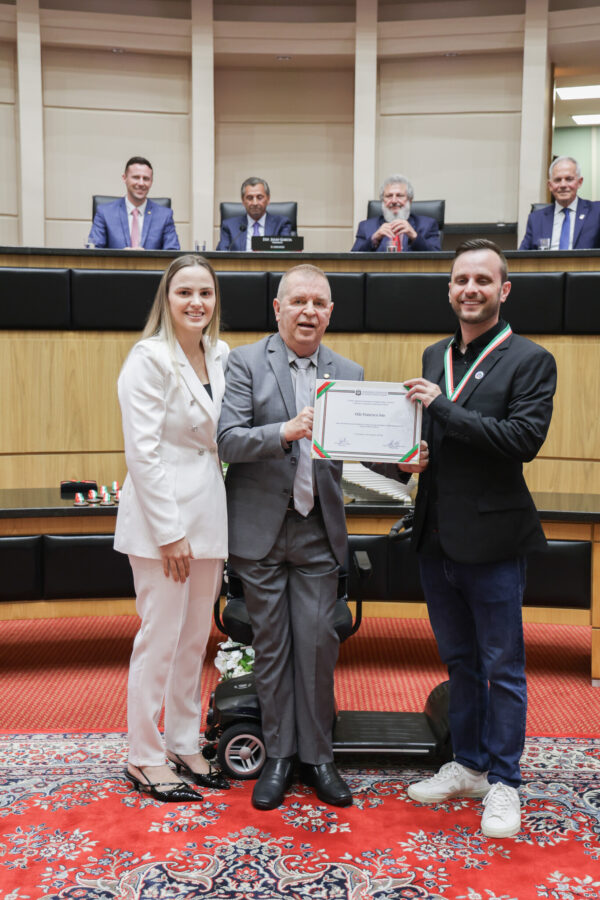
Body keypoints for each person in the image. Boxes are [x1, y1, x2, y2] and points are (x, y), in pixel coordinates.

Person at [402, 239, 556, 838]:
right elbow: (430, 438)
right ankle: (468, 765)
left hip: (493, 542)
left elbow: (521, 440)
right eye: (461, 279)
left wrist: (442, 409)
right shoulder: (434, 354)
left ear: (503, 290)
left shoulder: (531, 360)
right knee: (460, 662)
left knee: (503, 667)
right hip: (436, 539)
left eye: (483, 281)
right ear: (449, 289)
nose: (471, 289)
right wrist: (406, 456)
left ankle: (505, 781)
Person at [216, 263, 359, 810]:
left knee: (319, 647)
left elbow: (362, 446)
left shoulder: (348, 371)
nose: (308, 311)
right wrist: (285, 431)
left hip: (317, 532)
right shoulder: (246, 362)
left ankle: (319, 758)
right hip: (260, 534)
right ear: (277, 309)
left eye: (319, 303)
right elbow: (228, 440)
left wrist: (403, 458)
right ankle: (278, 757)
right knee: (272, 649)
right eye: (298, 301)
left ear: (330, 313)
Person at [114, 254, 229, 802]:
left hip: (209, 515)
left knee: (193, 640)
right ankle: (143, 755)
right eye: (185, 292)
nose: (196, 302)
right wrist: (169, 532)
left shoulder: (220, 353)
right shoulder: (148, 358)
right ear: (167, 298)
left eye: (205, 292)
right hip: (163, 523)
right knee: (158, 639)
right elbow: (142, 453)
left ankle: (183, 742)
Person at [87, 156, 180, 250]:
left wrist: (146, 257)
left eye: (146, 178)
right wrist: (121, 256)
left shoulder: (165, 216)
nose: (141, 183)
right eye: (136, 177)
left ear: (151, 181)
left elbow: (172, 253)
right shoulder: (105, 212)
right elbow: (93, 251)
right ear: (124, 178)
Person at [519, 155, 600, 250]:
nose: (563, 185)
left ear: (579, 182)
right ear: (550, 185)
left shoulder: (596, 212)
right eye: (557, 180)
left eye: (569, 179)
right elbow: (522, 256)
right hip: (547, 260)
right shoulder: (536, 219)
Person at [351, 174, 441, 252]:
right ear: (382, 200)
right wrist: (374, 239)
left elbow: (438, 259)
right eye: (389, 196)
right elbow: (352, 260)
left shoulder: (427, 225)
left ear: (410, 200)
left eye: (399, 196)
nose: (394, 201)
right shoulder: (365, 227)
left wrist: (414, 237)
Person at [216, 177, 292, 251]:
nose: (255, 203)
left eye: (259, 197)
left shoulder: (281, 224)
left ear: (268, 199)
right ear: (243, 201)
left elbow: (286, 253)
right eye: (250, 198)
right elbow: (222, 254)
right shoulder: (229, 226)